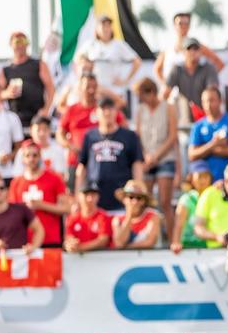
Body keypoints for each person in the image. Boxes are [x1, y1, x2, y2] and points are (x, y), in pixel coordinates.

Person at [56, 73, 126, 188]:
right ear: (80, 88)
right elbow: (60, 133)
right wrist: (71, 146)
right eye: (87, 87)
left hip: (102, 159)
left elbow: (123, 125)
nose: (91, 90)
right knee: (76, 194)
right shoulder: (72, 109)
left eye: (94, 87)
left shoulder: (104, 108)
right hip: (77, 160)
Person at [76, 96, 144, 212]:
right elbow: (82, 167)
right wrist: (78, 197)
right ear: (96, 112)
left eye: (110, 108)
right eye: (103, 109)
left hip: (121, 202)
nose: (107, 112)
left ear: (116, 112)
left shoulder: (129, 136)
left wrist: (138, 193)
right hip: (95, 202)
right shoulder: (90, 136)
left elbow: (137, 165)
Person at [133, 78, 179, 233]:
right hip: (147, 160)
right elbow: (138, 136)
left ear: (151, 92)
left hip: (165, 158)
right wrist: (146, 156)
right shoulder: (141, 110)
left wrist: (156, 156)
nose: (142, 100)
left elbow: (172, 136)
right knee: (145, 202)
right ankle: (150, 237)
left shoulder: (168, 108)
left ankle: (172, 237)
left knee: (165, 202)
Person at [8, 140, 70, 247]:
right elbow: (11, 212)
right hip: (24, 241)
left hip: (50, 239)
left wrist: (41, 205)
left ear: (40, 156)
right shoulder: (16, 183)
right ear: (22, 159)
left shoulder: (55, 179)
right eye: (27, 155)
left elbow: (66, 208)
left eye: (35, 155)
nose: (31, 159)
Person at [0, 32, 55, 130]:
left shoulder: (38, 64)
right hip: (15, 119)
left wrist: (46, 110)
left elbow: (51, 88)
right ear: (11, 45)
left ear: (27, 44)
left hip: (37, 117)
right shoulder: (6, 69)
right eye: (17, 41)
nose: (20, 45)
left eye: (23, 41)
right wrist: (7, 93)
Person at [0, 176, 44, 253]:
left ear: (7, 190)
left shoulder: (20, 209)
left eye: (2, 188)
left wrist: (33, 247)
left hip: (20, 261)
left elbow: (39, 229)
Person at [188, 86, 228, 182]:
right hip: (205, 180)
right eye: (204, 101)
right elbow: (192, 154)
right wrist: (214, 144)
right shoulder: (198, 126)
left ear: (221, 101)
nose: (208, 105)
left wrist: (204, 150)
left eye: (212, 100)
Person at [154, 12, 224, 85]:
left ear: (189, 26)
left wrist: (206, 81)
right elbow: (157, 69)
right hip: (172, 94)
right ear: (174, 25)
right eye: (180, 23)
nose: (183, 26)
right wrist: (167, 85)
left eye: (186, 23)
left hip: (191, 92)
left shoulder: (197, 46)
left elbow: (219, 63)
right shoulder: (168, 48)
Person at [81, 16, 141, 98]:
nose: (106, 29)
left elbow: (137, 61)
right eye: (103, 25)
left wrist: (125, 81)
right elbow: (77, 61)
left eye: (108, 25)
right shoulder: (90, 45)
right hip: (96, 91)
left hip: (115, 91)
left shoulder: (119, 44)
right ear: (97, 28)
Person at [162, 37, 220, 116]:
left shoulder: (208, 68)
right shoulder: (177, 69)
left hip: (205, 117)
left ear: (200, 51)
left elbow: (212, 92)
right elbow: (165, 93)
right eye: (189, 49)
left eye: (195, 49)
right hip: (183, 116)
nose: (192, 52)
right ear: (183, 52)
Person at [170, 159, 214, 253]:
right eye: (199, 176)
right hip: (189, 247)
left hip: (210, 247)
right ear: (191, 178)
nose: (203, 180)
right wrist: (176, 242)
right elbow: (178, 225)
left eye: (206, 176)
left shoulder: (215, 197)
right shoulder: (186, 199)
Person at [111, 180, 160, 249]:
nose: (134, 201)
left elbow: (150, 242)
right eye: (131, 197)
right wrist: (129, 215)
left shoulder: (153, 216)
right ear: (124, 199)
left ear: (143, 201)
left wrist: (127, 248)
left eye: (139, 198)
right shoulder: (117, 219)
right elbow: (119, 242)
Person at [64, 185, 112, 253]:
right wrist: (71, 244)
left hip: (99, 258)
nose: (90, 199)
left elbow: (103, 240)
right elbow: (69, 237)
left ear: (98, 197)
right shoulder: (72, 218)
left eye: (93, 195)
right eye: (86, 195)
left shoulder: (103, 217)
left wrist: (80, 248)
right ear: (79, 196)